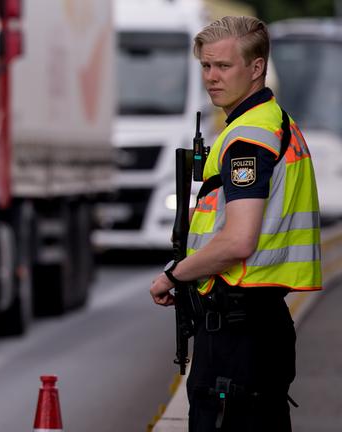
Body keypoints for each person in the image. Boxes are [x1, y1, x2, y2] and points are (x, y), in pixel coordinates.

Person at [149, 16, 321, 431]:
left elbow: (239, 240)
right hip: (260, 325)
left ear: (256, 67)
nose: (211, 77)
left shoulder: (248, 138)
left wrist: (174, 275)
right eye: (206, 66)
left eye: (223, 66)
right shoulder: (272, 122)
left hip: (238, 331)